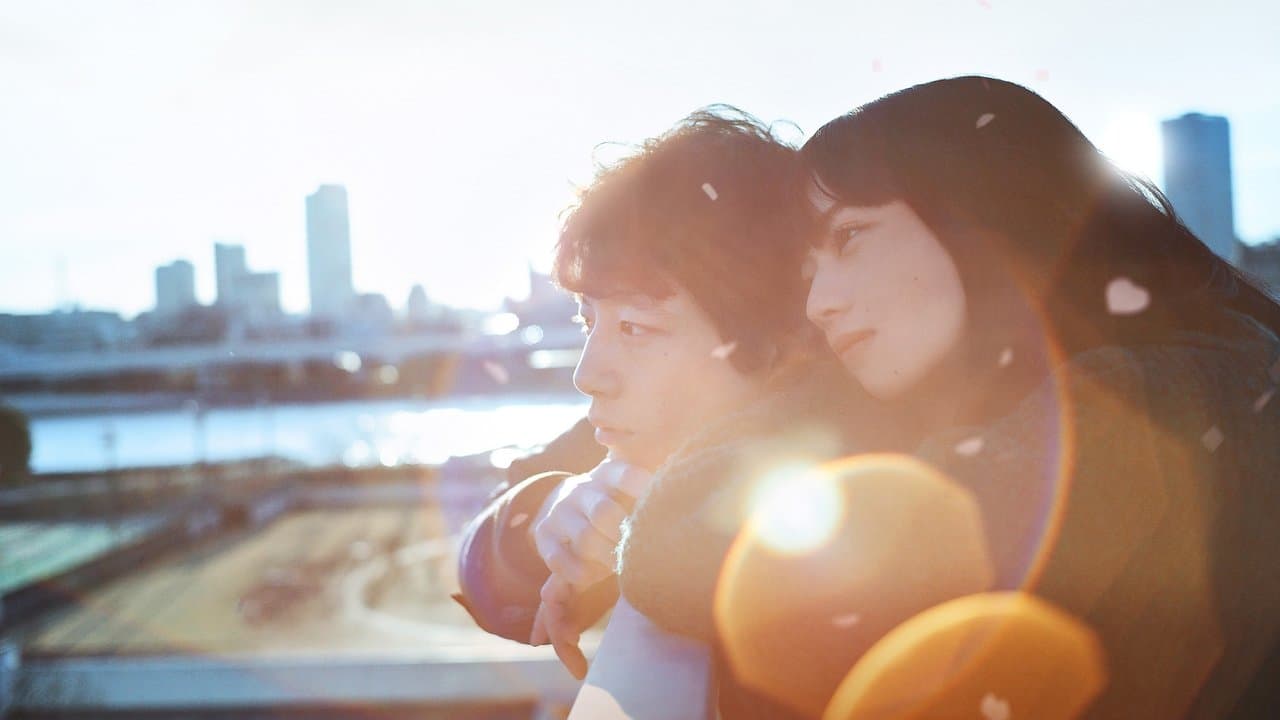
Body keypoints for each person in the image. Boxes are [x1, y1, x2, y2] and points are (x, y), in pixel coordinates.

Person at [618, 76, 1280, 719]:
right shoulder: (1173, 378)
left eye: (849, 237)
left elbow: (686, 553)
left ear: (984, 215)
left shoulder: (1162, 401)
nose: (820, 304)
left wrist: (826, 390)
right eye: (810, 272)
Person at [452, 107, 880, 699]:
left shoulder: (854, 483)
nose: (587, 375)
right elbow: (480, 570)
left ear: (778, 341)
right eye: (588, 321)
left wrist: (639, 528)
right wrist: (556, 507)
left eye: (635, 327)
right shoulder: (635, 437)